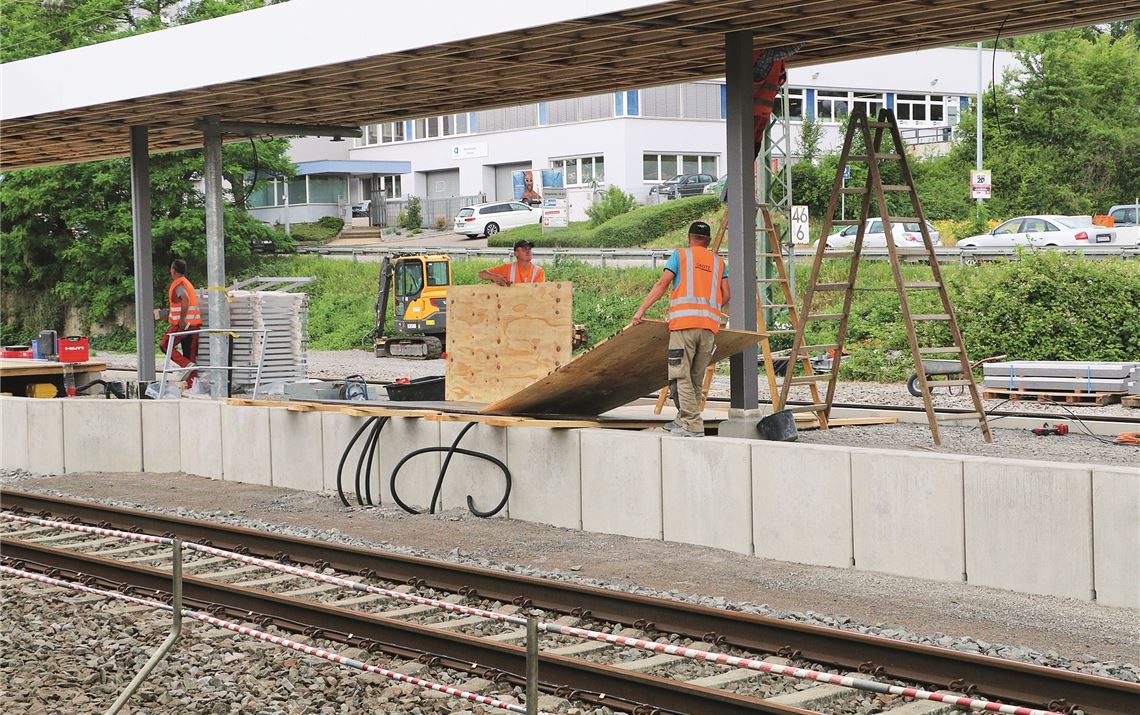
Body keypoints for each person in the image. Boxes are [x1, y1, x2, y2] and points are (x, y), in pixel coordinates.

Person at [631, 221, 729, 438]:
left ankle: (692, 424)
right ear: (709, 241)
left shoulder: (680, 255)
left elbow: (662, 284)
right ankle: (682, 419)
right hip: (708, 328)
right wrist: (709, 309)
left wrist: (641, 311)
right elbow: (726, 293)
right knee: (695, 378)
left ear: (689, 237)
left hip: (684, 325)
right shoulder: (718, 262)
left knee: (680, 376)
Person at [154, 259, 202, 386]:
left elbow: (185, 300)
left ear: (173, 270)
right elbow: (180, 306)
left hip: (183, 325)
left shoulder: (179, 284)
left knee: (165, 345)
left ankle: (185, 365)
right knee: (190, 355)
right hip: (194, 325)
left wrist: (181, 320)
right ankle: (193, 386)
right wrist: (164, 313)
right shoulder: (187, 283)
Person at [479, 239, 546, 286]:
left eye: (529, 249)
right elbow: (481, 274)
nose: (528, 251)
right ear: (516, 253)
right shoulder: (507, 268)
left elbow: (538, 293)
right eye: (524, 249)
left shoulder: (538, 271)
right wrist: (494, 277)